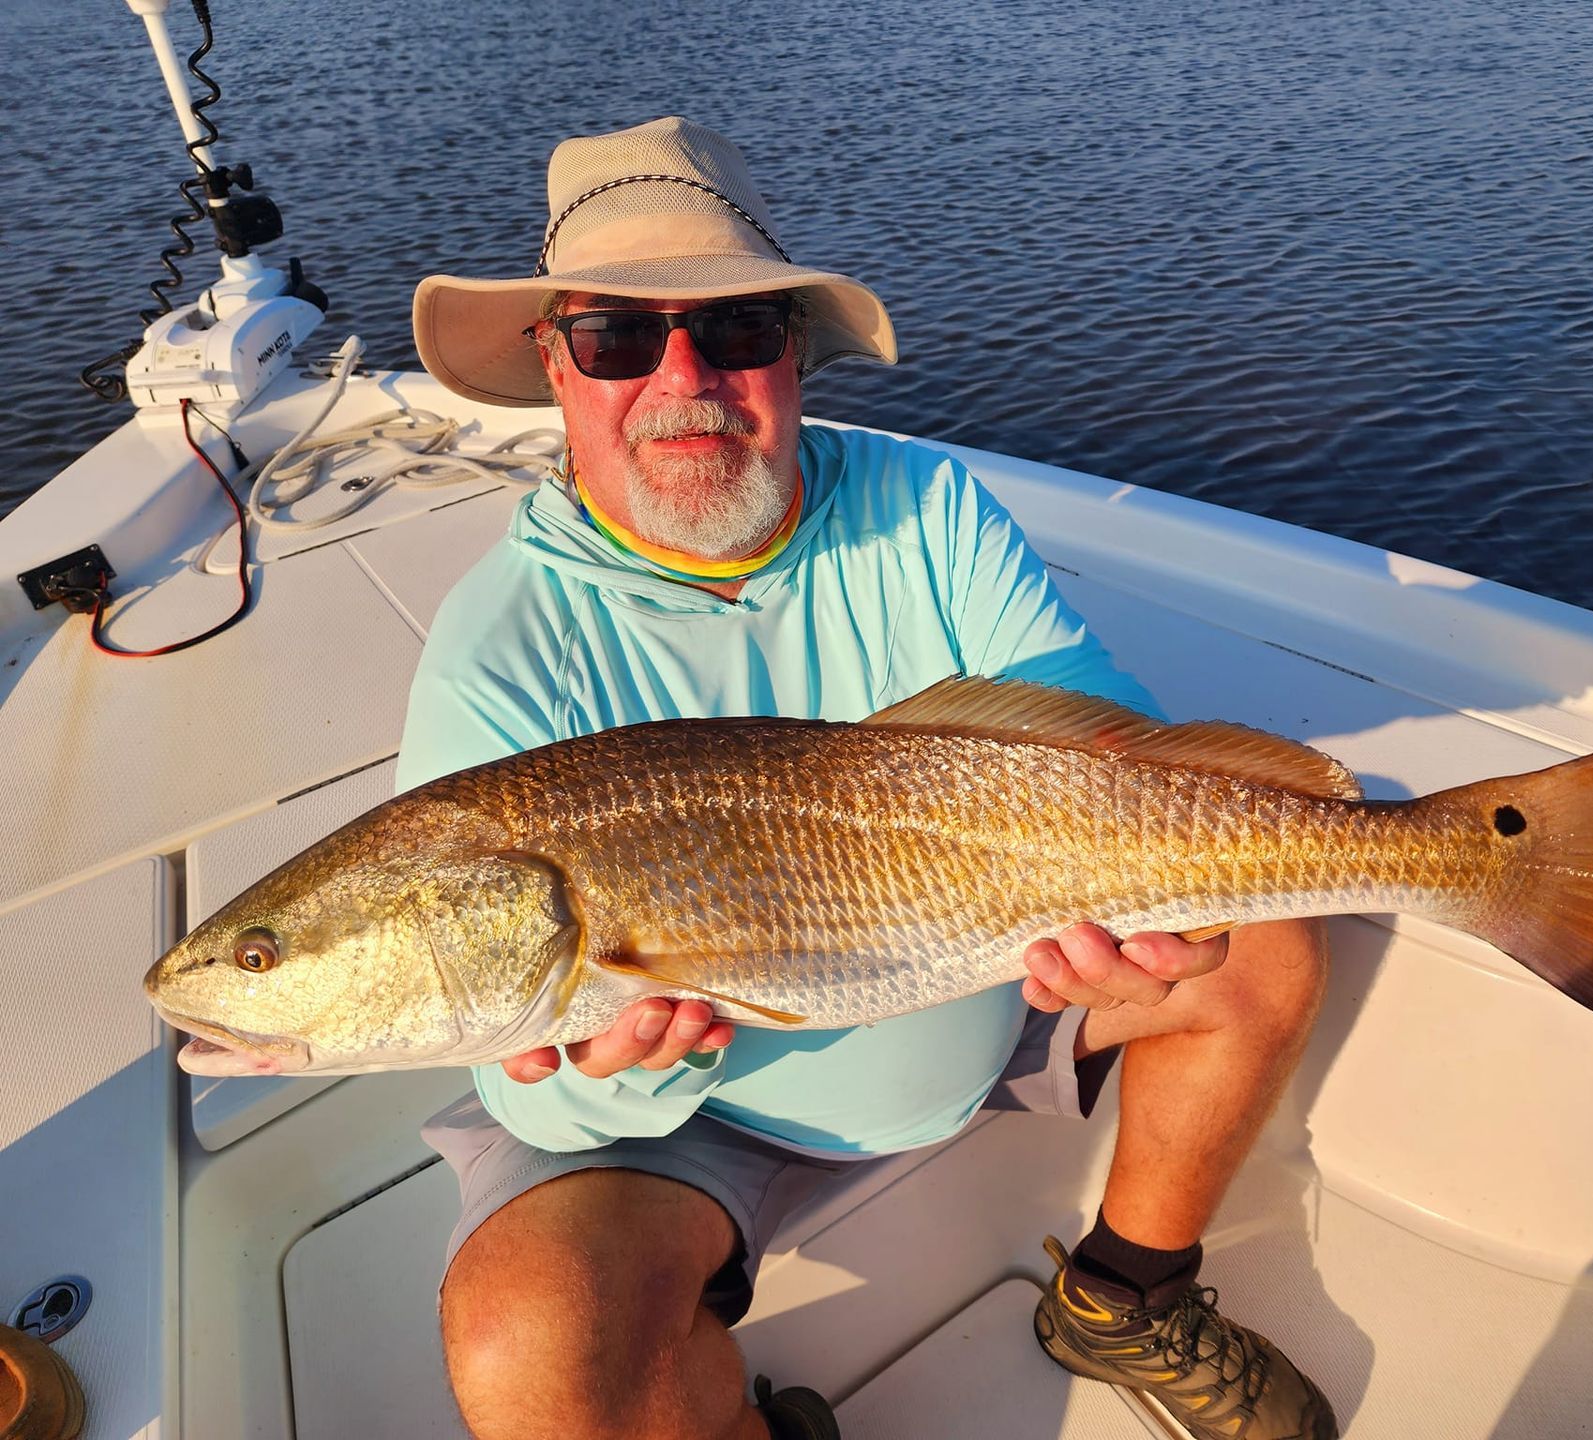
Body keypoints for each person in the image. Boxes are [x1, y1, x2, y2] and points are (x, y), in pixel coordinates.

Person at [402, 116, 1338, 1440]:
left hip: (991, 971)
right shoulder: (495, 652)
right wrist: (629, 1060)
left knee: (1260, 933)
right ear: (555, 366)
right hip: (690, 1116)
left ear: (792, 355)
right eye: (617, 336)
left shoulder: (928, 507)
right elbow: (518, 1070)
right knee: (528, 1352)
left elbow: (1107, 742)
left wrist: (1138, 914)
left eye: (733, 331)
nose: (683, 377)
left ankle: (1127, 1294)